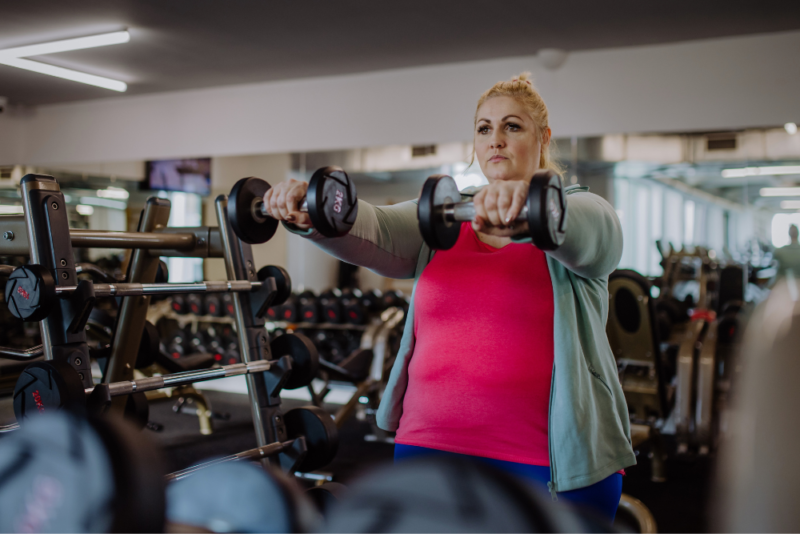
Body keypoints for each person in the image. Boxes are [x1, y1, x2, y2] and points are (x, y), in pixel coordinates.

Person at [263, 73, 635, 523]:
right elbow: (373, 226)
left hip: (547, 461)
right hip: (429, 445)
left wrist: (526, 207)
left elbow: (590, 232)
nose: (495, 139)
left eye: (512, 126)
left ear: (543, 138)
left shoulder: (582, 211)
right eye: (484, 128)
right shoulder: (442, 216)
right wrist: (313, 209)